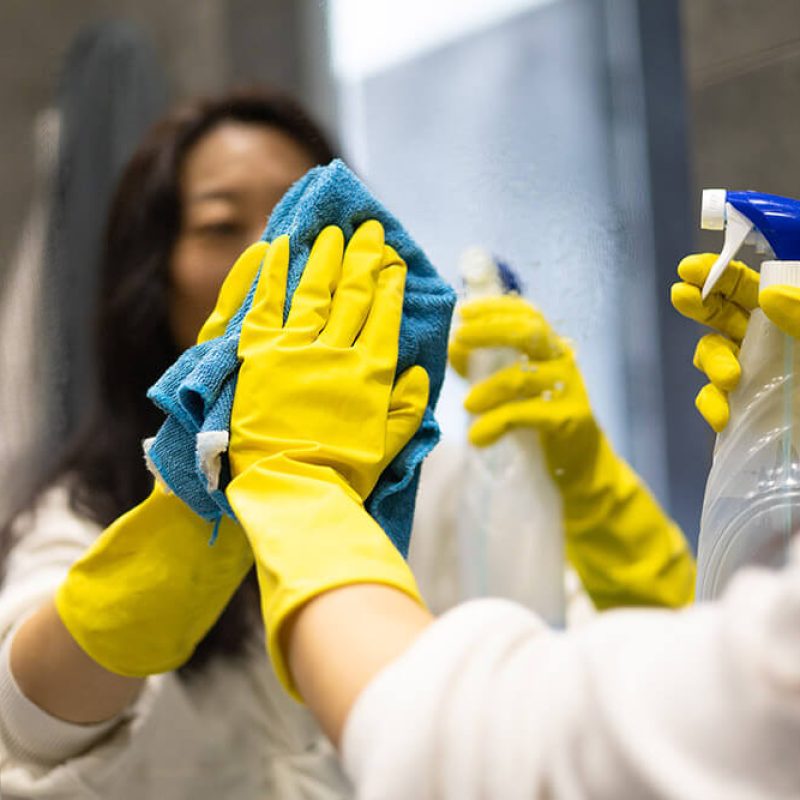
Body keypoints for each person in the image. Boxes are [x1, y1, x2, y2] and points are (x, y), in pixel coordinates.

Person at [0, 87, 693, 799]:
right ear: (154, 277)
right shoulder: (86, 509)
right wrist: (194, 505)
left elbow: (651, 695)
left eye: (304, 224)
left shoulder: (439, 486)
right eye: (218, 225)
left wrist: (584, 492)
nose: (270, 256)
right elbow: (25, 719)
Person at [221, 238, 800, 799]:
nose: (282, 255)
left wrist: (296, 481)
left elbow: (492, 753)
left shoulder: (435, 488)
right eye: (223, 225)